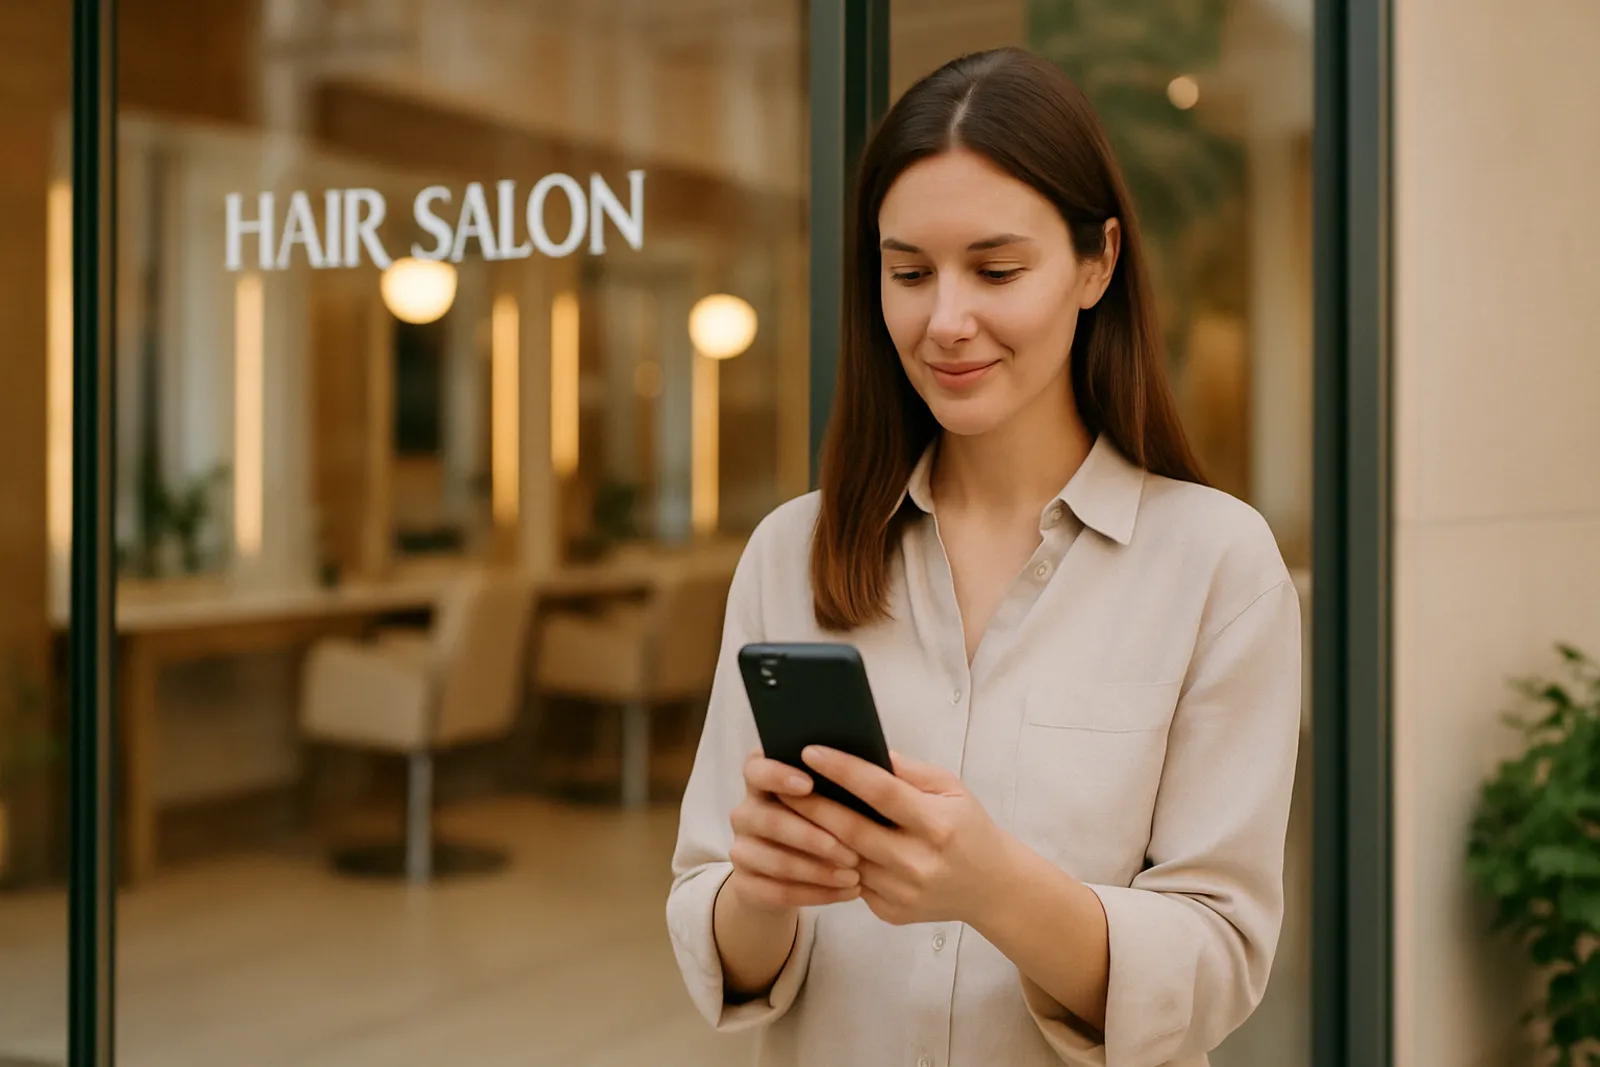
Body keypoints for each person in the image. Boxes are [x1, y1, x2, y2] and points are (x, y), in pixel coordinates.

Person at [666, 46, 1301, 1067]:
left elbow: (1216, 960)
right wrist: (762, 888)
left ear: (1097, 263)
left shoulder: (1216, 566)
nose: (944, 320)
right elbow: (714, 925)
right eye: (908, 272)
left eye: (995, 269)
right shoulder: (793, 551)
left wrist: (995, 886)